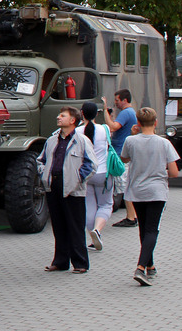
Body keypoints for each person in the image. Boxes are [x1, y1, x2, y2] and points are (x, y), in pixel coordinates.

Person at [120, 107, 180, 286]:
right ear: (155, 123)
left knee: (144, 228)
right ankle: (140, 267)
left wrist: (132, 135)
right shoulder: (164, 143)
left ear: (137, 123)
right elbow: (175, 173)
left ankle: (150, 265)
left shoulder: (130, 140)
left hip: (137, 191)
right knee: (152, 230)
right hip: (157, 191)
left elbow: (124, 159)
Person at [35, 106, 95, 273]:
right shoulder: (52, 140)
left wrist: (78, 180)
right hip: (53, 186)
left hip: (73, 189)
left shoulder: (82, 141)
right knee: (59, 225)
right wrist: (44, 174)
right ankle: (60, 261)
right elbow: (41, 160)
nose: (58, 117)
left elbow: (91, 165)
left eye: (63, 115)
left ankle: (80, 263)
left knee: (75, 226)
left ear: (72, 120)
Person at [78, 101, 112, 251]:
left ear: (82, 113)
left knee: (89, 206)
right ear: (96, 114)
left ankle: (92, 236)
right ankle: (97, 230)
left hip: (86, 174)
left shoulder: (77, 131)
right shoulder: (105, 129)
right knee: (105, 204)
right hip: (103, 173)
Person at [104, 89, 139, 227]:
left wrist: (105, 110)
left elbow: (112, 127)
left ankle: (131, 218)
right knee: (126, 184)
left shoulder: (126, 113)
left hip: (120, 152)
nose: (116, 103)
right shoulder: (130, 113)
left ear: (124, 100)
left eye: (117, 100)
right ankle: (133, 215)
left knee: (124, 186)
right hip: (122, 151)